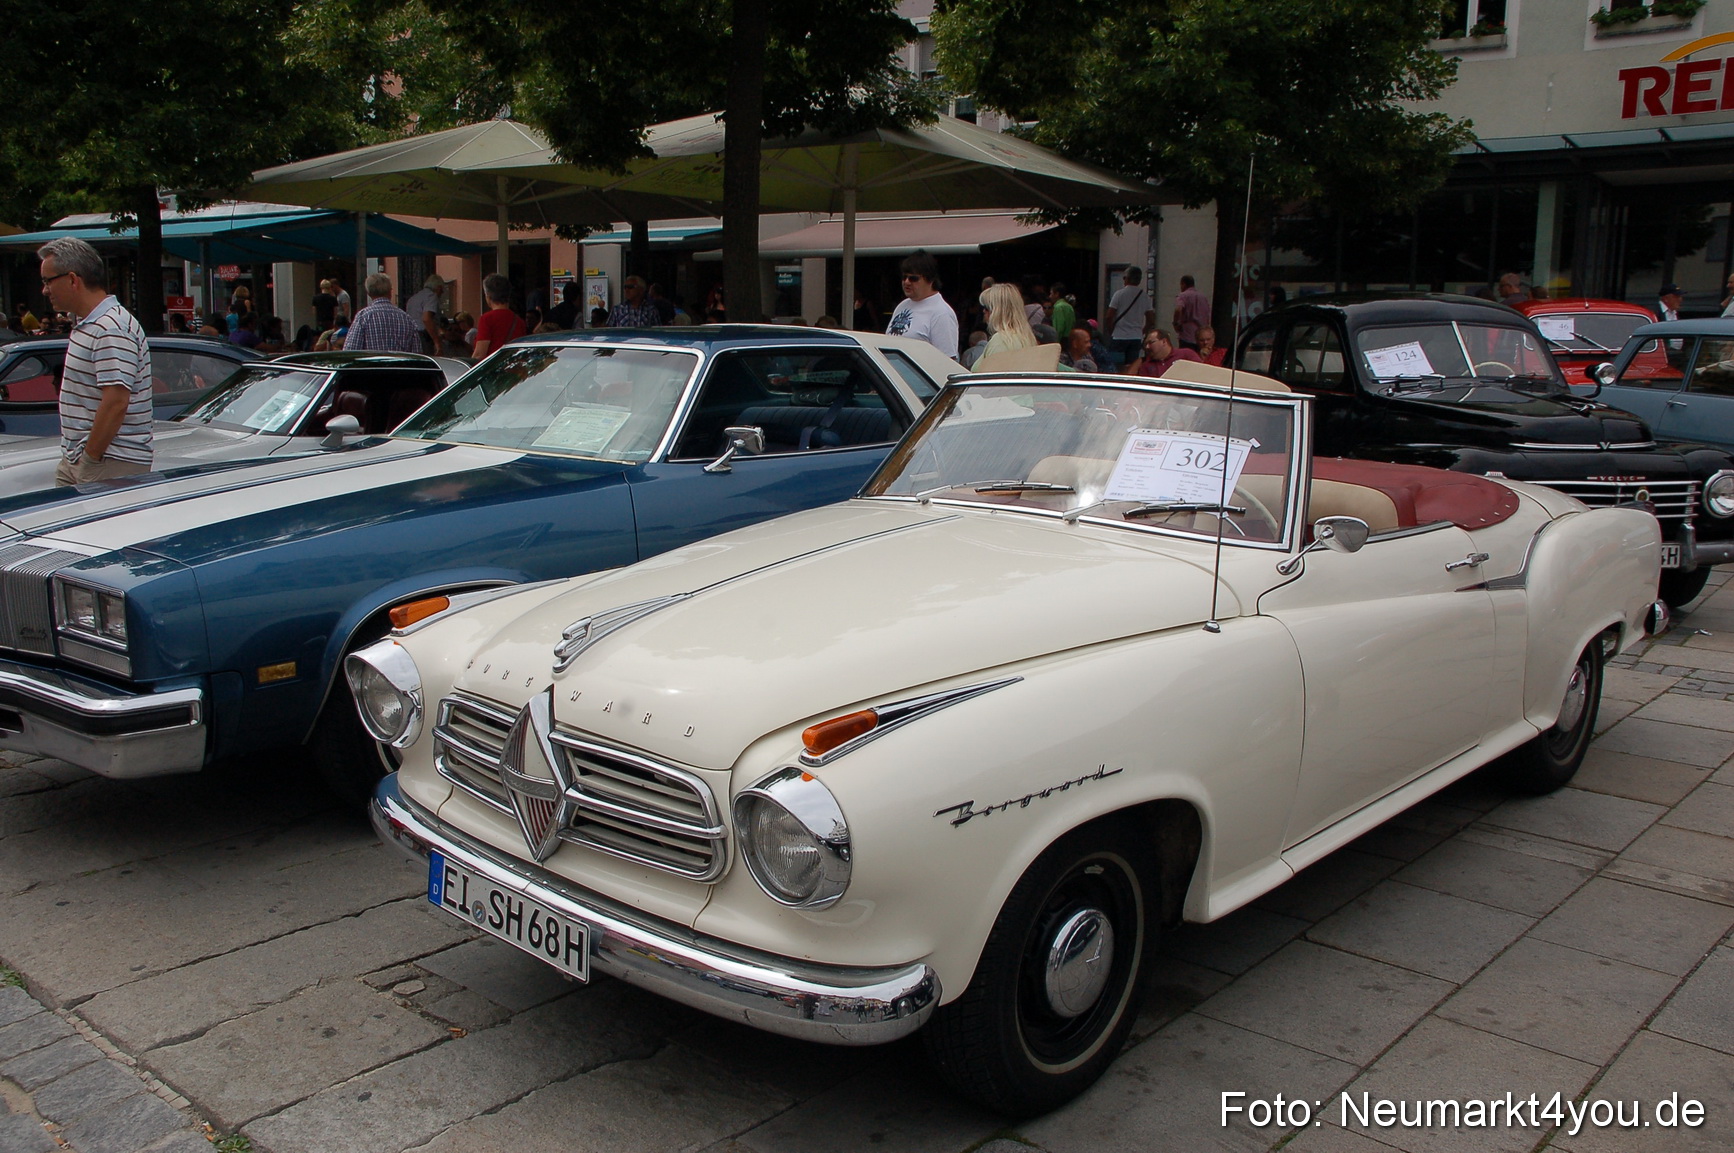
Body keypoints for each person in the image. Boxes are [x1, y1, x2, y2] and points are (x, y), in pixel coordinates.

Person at [37, 237, 152, 486]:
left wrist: (90, 458)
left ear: (72, 280)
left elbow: (116, 401)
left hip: (109, 462)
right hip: (86, 459)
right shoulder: (90, 323)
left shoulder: (111, 327)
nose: (44, 290)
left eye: (48, 281)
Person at [885, 250, 960, 360]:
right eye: (904, 277)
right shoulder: (902, 306)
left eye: (913, 278)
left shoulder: (942, 313)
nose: (906, 282)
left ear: (930, 280)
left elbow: (948, 360)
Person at [344, 272, 421, 352]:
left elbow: (351, 350)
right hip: (399, 364)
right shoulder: (406, 318)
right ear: (390, 291)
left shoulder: (363, 316)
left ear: (368, 293)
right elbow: (416, 352)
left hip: (373, 364)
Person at [971, 283, 1037, 368]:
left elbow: (992, 378)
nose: (983, 311)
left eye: (986, 307)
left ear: (997, 311)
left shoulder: (1002, 341)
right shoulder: (1026, 338)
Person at [471, 273, 526, 360]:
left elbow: (479, 354)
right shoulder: (519, 321)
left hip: (493, 369)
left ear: (488, 297)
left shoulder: (487, 319)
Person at [1104, 266, 1151, 369]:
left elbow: (1109, 316)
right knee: (1131, 367)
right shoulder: (1145, 297)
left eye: (1124, 278)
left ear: (1127, 278)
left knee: (1115, 367)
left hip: (1119, 336)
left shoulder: (1119, 294)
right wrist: (1142, 331)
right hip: (1136, 337)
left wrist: (1111, 330)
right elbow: (1151, 318)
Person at [403, 273, 448, 356]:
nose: (441, 293)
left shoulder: (413, 298)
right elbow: (427, 319)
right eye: (442, 290)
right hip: (424, 336)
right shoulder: (431, 297)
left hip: (411, 336)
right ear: (438, 288)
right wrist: (437, 342)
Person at [1133, 329, 1202, 379]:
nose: (1147, 347)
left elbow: (1202, 372)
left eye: (1151, 343)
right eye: (1145, 344)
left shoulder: (1186, 354)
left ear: (1164, 341)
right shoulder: (1146, 366)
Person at [1173, 274, 1210, 350]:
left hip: (1187, 334)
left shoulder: (1183, 296)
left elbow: (1178, 309)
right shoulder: (1203, 297)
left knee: (1186, 358)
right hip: (1201, 335)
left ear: (1183, 284)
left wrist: (1176, 323)